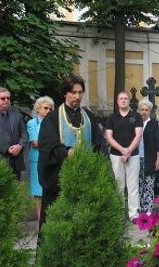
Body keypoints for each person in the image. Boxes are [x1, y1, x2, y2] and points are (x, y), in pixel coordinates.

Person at [38, 75, 105, 229]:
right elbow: (47, 145)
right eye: (73, 92)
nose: (77, 96)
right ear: (65, 93)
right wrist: (66, 152)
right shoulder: (53, 118)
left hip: (86, 179)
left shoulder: (89, 117)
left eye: (80, 92)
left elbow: (99, 144)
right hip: (60, 179)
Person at [105, 91, 143, 220]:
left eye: (126, 98)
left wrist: (128, 151)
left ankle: (134, 215)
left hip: (133, 155)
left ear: (128, 101)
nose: (123, 100)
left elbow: (138, 135)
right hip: (116, 156)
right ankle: (119, 214)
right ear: (117, 101)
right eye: (121, 99)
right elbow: (108, 137)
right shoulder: (112, 118)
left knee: (133, 186)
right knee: (118, 185)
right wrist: (122, 150)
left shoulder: (136, 116)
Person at [26, 96, 54, 221]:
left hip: (52, 160)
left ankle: (51, 220)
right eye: (45, 108)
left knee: (51, 191)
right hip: (37, 161)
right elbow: (35, 143)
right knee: (38, 194)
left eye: (50, 109)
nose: (48, 111)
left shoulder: (54, 123)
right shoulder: (32, 123)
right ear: (38, 109)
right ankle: (40, 222)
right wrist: (51, 143)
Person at [137, 100, 159, 214]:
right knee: (137, 184)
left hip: (150, 157)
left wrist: (158, 159)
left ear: (150, 111)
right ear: (138, 110)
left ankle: (148, 209)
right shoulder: (135, 122)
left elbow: (158, 142)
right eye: (142, 110)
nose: (144, 112)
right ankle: (138, 208)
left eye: (146, 110)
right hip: (136, 157)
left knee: (149, 183)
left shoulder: (153, 123)